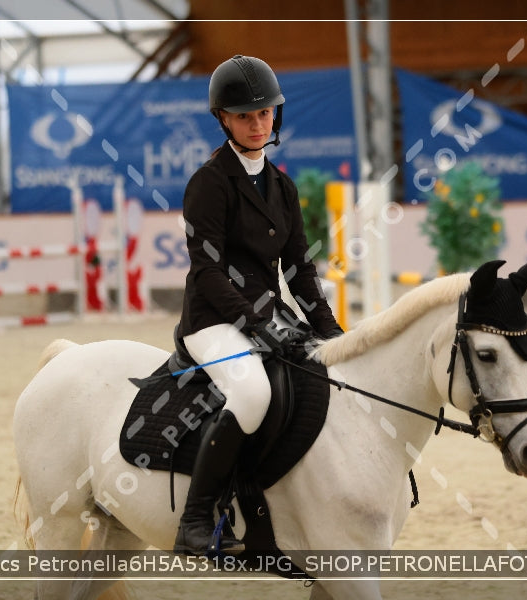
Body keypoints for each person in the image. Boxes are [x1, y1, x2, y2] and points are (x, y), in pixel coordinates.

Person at [173, 55, 344, 556]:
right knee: (251, 394)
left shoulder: (283, 188)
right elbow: (207, 272)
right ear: (223, 119)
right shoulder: (209, 183)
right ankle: (196, 520)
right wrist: (255, 324)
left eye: (264, 114)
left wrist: (331, 331)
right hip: (212, 319)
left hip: (269, 317)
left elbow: (298, 271)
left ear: (276, 116)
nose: (256, 124)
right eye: (245, 116)